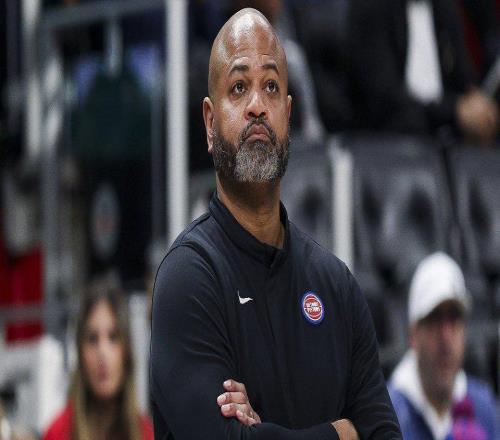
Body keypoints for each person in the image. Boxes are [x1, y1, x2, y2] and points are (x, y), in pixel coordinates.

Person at [150, 8, 401, 440]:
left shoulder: (336, 285)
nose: (257, 107)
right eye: (239, 87)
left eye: (270, 86)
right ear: (210, 122)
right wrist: (342, 433)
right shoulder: (188, 278)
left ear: (287, 114)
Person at [350, 0, 498, 146]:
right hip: (386, 140)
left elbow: (465, 79)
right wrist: (454, 112)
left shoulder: (444, 7)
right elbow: (386, 102)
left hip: (448, 140)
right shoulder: (371, 7)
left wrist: (478, 107)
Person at [389, 252, 499, 439]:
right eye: (435, 320)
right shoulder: (388, 415)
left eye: (454, 319)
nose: (446, 337)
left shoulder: (483, 407)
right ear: (414, 334)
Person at [42, 281, 153, 440]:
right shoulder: (58, 433)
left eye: (113, 337)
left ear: (127, 351)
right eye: (92, 339)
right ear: (80, 352)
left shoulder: (147, 434)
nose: (102, 352)